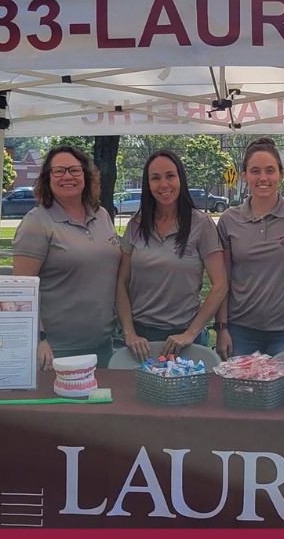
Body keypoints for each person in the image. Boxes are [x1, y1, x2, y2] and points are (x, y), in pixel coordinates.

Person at [11, 144, 122, 370]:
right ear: (47, 178)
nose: (67, 177)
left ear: (86, 175)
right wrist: (39, 338)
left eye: (74, 170)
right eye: (58, 171)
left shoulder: (101, 216)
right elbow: (20, 289)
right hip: (56, 351)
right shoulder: (37, 222)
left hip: (103, 345)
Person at [116, 149, 228, 360]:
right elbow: (121, 282)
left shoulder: (201, 224)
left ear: (180, 179)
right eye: (155, 178)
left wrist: (190, 333)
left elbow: (220, 284)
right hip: (141, 340)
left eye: (170, 176)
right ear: (148, 184)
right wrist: (129, 332)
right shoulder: (136, 225)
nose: (163, 184)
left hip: (184, 338)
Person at [215, 137, 284, 358]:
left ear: (280, 175)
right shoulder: (229, 220)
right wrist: (222, 328)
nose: (263, 178)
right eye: (255, 171)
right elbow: (223, 281)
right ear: (244, 176)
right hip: (240, 329)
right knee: (240, 391)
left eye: (270, 170)